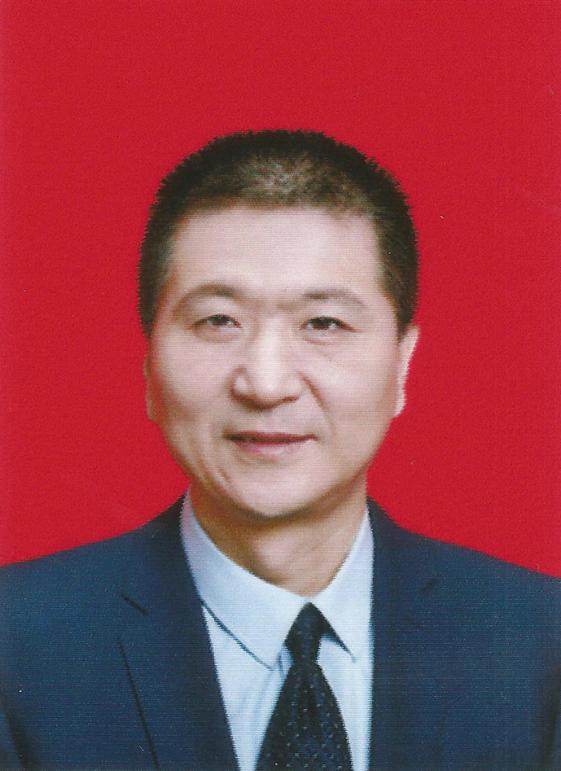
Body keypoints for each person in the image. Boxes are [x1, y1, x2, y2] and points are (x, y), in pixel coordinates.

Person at [1, 130, 560, 771]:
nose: (265, 384)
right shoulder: (17, 646)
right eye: (218, 320)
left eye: (323, 323)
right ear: (149, 364)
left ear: (402, 364)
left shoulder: (540, 646)